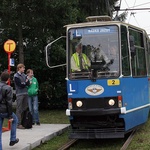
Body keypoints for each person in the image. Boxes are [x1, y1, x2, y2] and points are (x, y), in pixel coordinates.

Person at [0, 72, 19, 149]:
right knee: (15, 120)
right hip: (5, 110)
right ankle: (13, 139)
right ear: (8, 79)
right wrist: (10, 115)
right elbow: (9, 103)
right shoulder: (8, 88)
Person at [14, 63, 30, 129]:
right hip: (19, 94)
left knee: (24, 108)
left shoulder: (24, 75)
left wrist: (25, 83)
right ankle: (18, 123)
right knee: (19, 109)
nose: (24, 69)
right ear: (19, 68)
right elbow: (20, 85)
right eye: (23, 68)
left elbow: (28, 83)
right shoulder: (16, 76)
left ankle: (24, 122)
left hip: (25, 93)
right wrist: (25, 83)